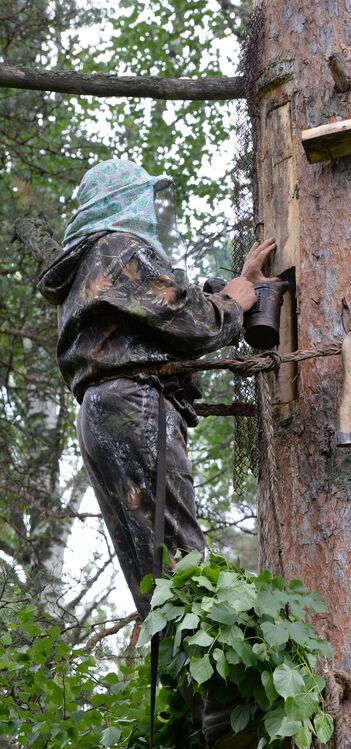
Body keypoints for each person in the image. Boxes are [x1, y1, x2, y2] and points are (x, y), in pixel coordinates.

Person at [38, 158, 276, 617]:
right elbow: (190, 322)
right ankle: (219, 680)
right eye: (147, 199)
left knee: (154, 576)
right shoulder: (120, 248)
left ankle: (185, 676)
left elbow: (158, 318)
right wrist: (234, 303)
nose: (154, 210)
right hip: (135, 403)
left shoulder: (91, 263)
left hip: (101, 411)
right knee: (181, 559)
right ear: (125, 202)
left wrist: (230, 289)